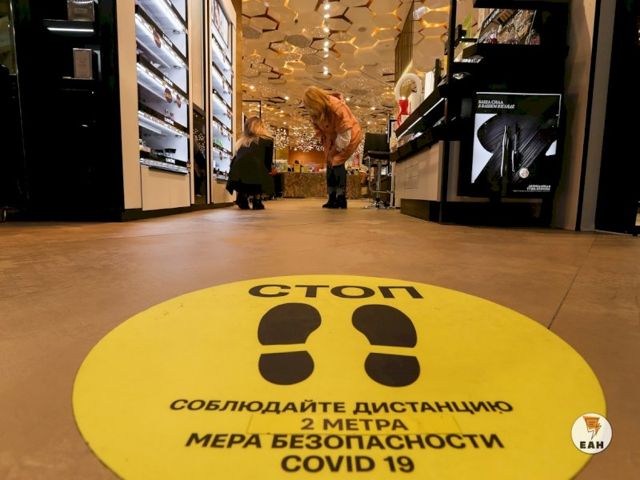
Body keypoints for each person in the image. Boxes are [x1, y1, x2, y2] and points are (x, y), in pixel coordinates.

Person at [303, 86, 363, 209]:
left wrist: (333, 151)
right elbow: (319, 129)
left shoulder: (337, 108)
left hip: (349, 135)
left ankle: (341, 198)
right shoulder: (316, 112)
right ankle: (332, 197)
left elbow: (345, 137)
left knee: (337, 161)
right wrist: (327, 148)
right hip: (331, 137)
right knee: (330, 164)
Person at [226, 117, 274, 210]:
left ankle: (243, 196)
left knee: (246, 169)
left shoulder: (241, 141)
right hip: (256, 170)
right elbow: (267, 161)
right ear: (261, 127)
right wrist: (268, 173)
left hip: (238, 172)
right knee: (259, 170)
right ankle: (257, 199)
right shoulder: (268, 140)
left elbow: (236, 159)